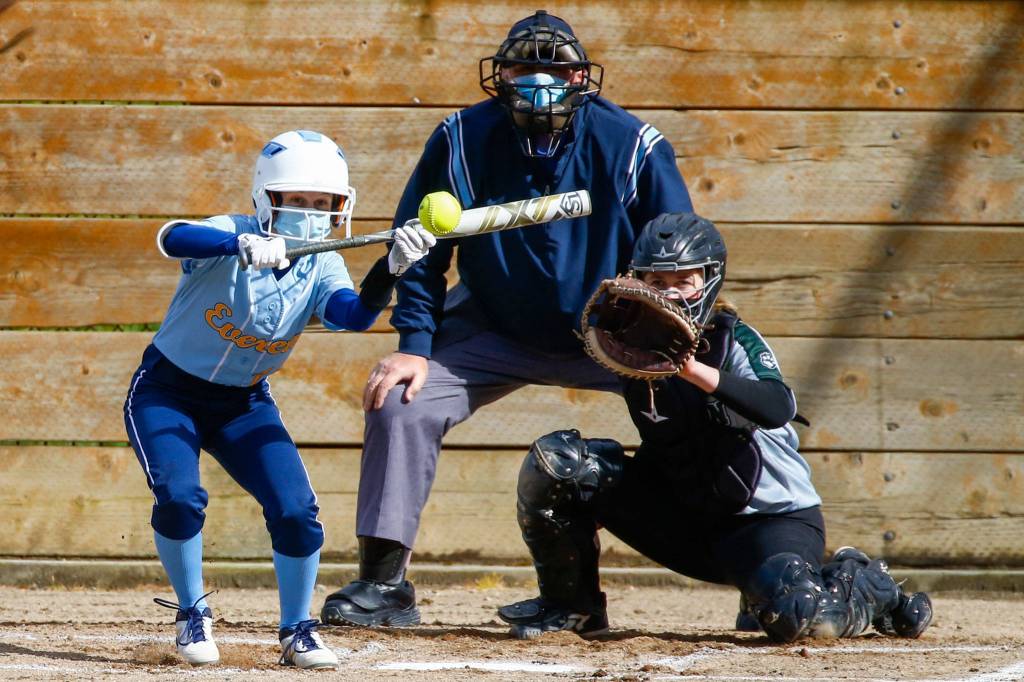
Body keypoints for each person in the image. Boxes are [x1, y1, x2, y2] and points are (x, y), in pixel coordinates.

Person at [320, 10, 694, 627]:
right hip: (493, 324)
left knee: (713, 404)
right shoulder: (462, 138)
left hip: (614, 332)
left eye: (557, 70)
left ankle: (756, 567)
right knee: (399, 398)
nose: (539, 83)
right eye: (524, 69)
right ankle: (383, 585)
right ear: (501, 76)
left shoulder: (633, 145)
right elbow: (419, 249)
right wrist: (414, 341)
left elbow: (683, 249)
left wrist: (660, 334)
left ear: (582, 77)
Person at [496, 212, 934, 642]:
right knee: (560, 465)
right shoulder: (628, 341)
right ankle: (572, 607)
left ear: (710, 280)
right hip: (686, 521)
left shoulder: (732, 339)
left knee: (801, 615)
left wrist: (693, 371)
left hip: (765, 522)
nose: (669, 294)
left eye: (683, 282)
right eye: (657, 282)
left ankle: (864, 585)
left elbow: (777, 405)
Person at [123, 130, 436, 667]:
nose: (311, 213)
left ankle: (297, 630)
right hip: (167, 391)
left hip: (243, 404)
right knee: (180, 496)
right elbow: (172, 237)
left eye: (323, 204)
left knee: (296, 511)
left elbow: (352, 315)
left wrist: (391, 268)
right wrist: (235, 245)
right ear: (268, 199)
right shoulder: (233, 232)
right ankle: (191, 614)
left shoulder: (323, 261)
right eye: (297, 200)